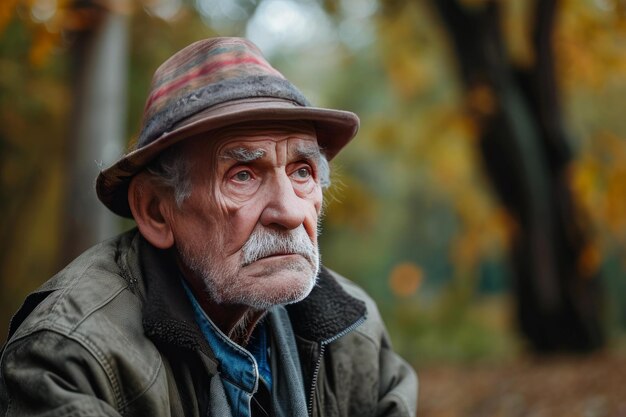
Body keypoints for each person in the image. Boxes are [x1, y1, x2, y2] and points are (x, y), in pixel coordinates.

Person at [0, 37, 417, 417]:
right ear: (157, 211)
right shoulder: (72, 354)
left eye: (302, 171)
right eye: (242, 175)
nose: (290, 212)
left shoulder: (354, 335)